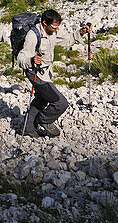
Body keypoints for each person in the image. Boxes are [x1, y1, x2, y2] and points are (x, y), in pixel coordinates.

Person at [16, 9, 92, 138]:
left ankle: (27, 128)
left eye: (57, 27)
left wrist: (81, 32)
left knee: (42, 98)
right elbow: (21, 58)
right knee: (60, 103)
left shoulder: (53, 31)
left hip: (46, 72)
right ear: (44, 23)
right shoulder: (33, 36)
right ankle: (44, 120)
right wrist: (31, 60)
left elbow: (68, 40)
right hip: (36, 73)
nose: (56, 30)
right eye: (54, 27)